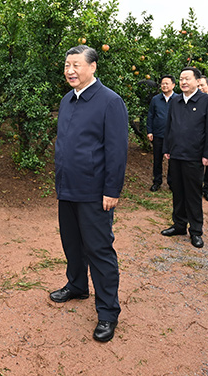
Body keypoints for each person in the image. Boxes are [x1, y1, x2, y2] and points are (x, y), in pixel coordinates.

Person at [48, 45, 128, 343]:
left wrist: (111, 189)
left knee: (99, 250)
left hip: (95, 192)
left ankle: (108, 312)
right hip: (68, 188)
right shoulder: (68, 99)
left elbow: (117, 150)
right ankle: (78, 285)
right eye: (67, 64)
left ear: (92, 67)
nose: (70, 70)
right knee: (71, 243)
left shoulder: (110, 101)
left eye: (76, 65)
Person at [160, 67, 208, 249]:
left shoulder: (207, 101)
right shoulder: (176, 100)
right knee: (177, 191)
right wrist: (167, 148)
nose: (184, 82)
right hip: (176, 154)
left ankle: (196, 231)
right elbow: (169, 126)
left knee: (193, 194)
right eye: (181, 79)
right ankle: (179, 225)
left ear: (197, 81)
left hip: (194, 156)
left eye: (187, 79)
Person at [147, 75, 176, 192]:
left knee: (172, 161)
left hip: (173, 136)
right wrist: (149, 131)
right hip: (158, 134)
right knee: (157, 159)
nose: (164, 85)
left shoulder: (178, 99)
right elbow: (150, 116)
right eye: (162, 83)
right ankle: (157, 182)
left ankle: (172, 182)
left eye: (167, 83)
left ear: (173, 85)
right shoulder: (155, 99)